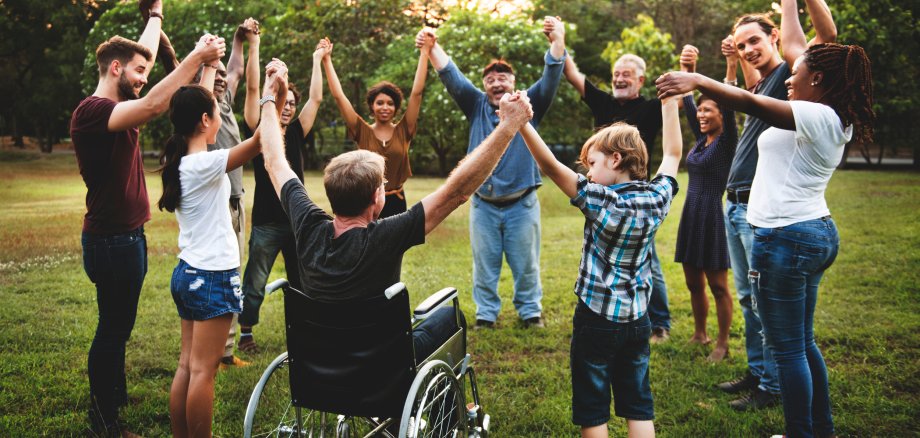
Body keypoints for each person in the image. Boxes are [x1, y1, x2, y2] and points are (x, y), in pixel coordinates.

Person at [657, 1, 871, 434]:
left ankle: (799, 431)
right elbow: (795, 43)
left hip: (786, 238)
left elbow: (750, 102)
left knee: (790, 349)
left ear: (821, 80)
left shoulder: (814, 114)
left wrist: (699, 78)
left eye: (800, 73)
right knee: (803, 343)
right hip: (810, 231)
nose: (791, 76)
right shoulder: (829, 113)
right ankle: (819, 429)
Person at [257, 60, 535, 362]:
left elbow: (273, 160)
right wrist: (508, 126)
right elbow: (457, 191)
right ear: (378, 197)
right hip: (382, 361)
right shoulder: (388, 235)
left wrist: (270, 96)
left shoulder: (307, 225)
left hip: (322, 360)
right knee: (449, 318)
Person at [70, 0, 225, 432]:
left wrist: (155, 14)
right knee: (113, 329)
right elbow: (157, 104)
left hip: (127, 237)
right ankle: (103, 419)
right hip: (110, 241)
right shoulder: (93, 112)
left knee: (119, 325)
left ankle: (113, 396)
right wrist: (198, 56)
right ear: (115, 68)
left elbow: (147, 59)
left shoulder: (118, 104)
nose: (145, 77)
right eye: (139, 71)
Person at [695, 1, 838, 411]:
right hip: (739, 205)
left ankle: (773, 386)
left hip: (772, 218)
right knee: (748, 299)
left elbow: (824, 39)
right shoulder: (760, 86)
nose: (749, 49)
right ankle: (759, 372)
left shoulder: (787, 80)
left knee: (766, 306)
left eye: (755, 40)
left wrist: (796, 3)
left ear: (774, 37)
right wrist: (731, 64)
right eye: (742, 46)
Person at [520, 94, 683, 437]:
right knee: (638, 401)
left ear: (616, 158)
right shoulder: (657, 197)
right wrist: (669, 103)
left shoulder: (599, 199)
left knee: (593, 407)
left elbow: (550, 166)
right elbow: (672, 154)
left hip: (596, 318)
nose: (589, 174)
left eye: (592, 164)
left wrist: (521, 123)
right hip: (639, 318)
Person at [415, 16, 566, 329]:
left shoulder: (529, 104)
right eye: (491, 80)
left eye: (503, 78)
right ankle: (486, 315)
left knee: (526, 265)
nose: (497, 83)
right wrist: (433, 46)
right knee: (484, 266)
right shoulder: (476, 105)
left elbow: (551, 74)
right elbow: (450, 75)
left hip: (522, 204)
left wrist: (557, 40)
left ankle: (530, 313)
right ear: (485, 86)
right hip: (483, 204)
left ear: (513, 82)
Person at [156, 68, 274, 435]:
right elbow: (259, 142)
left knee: (187, 366)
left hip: (187, 273)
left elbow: (198, 106)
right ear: (205, 120)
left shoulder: (181, 162)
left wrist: (208, 68)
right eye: (216, 112)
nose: (220, 116)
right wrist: (271, 91)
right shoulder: (206, 164)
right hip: (210, 277)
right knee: (204, 370)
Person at [562, 46, 672, 343]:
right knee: (600, 254)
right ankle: (604, 308)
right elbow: (572, 73)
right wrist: (557, 40)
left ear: (640, 80)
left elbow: (675, 129)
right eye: (616, 74)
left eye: (626, 74)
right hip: (601, 197)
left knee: (648, 261)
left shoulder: (650, 108)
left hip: (636, 199)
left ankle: (659, 322)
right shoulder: (604, 102)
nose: (620, 79)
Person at [236, 40, 325, 352]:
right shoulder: (260, 131)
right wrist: (264, 69)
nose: (287, 108)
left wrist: (318, 59)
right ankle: (245, 334)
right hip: (266, 223)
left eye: (291, 104)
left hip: (297, 222)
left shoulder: (299, 132)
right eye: (283, 103)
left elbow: (315, 97)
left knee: (302, 281)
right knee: (255, 281)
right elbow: (252, 92)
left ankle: (303, 332)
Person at [194, 17, 261, 369]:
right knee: (225, 272)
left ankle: (223, 349)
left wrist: (238, 37)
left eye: (222, 74)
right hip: (219, 204)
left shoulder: (225, 102)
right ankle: (221, 351)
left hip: (237, 198)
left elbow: (234, 68)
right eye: (213, 73)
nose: (222, 77)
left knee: (233, 270)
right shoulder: (199, 111)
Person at [673, 44, 737, 362]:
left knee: (718, 285)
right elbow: (686, 101)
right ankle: (700, 333)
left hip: (712, 213)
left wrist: (730, 66)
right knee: (692, 281)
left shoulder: (727, 141)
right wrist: (688, 68)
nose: (700, 114)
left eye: (708, 110)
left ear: (722, 114)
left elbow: (729, 97)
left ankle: (723, 344)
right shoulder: (701, 140)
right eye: (699, 111)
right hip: (691, 214)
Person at [321, 34, 430, 218]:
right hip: (365, 201)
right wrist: (326, 60)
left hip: (396, 201)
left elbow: (417, 93)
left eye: (390, 103)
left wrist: (424, 52)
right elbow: (339, 97)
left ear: (396, 108)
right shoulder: (361, 130)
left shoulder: (405, 130)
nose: (385, 107)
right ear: (372, 106)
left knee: (395, 247)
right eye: (380, 103)